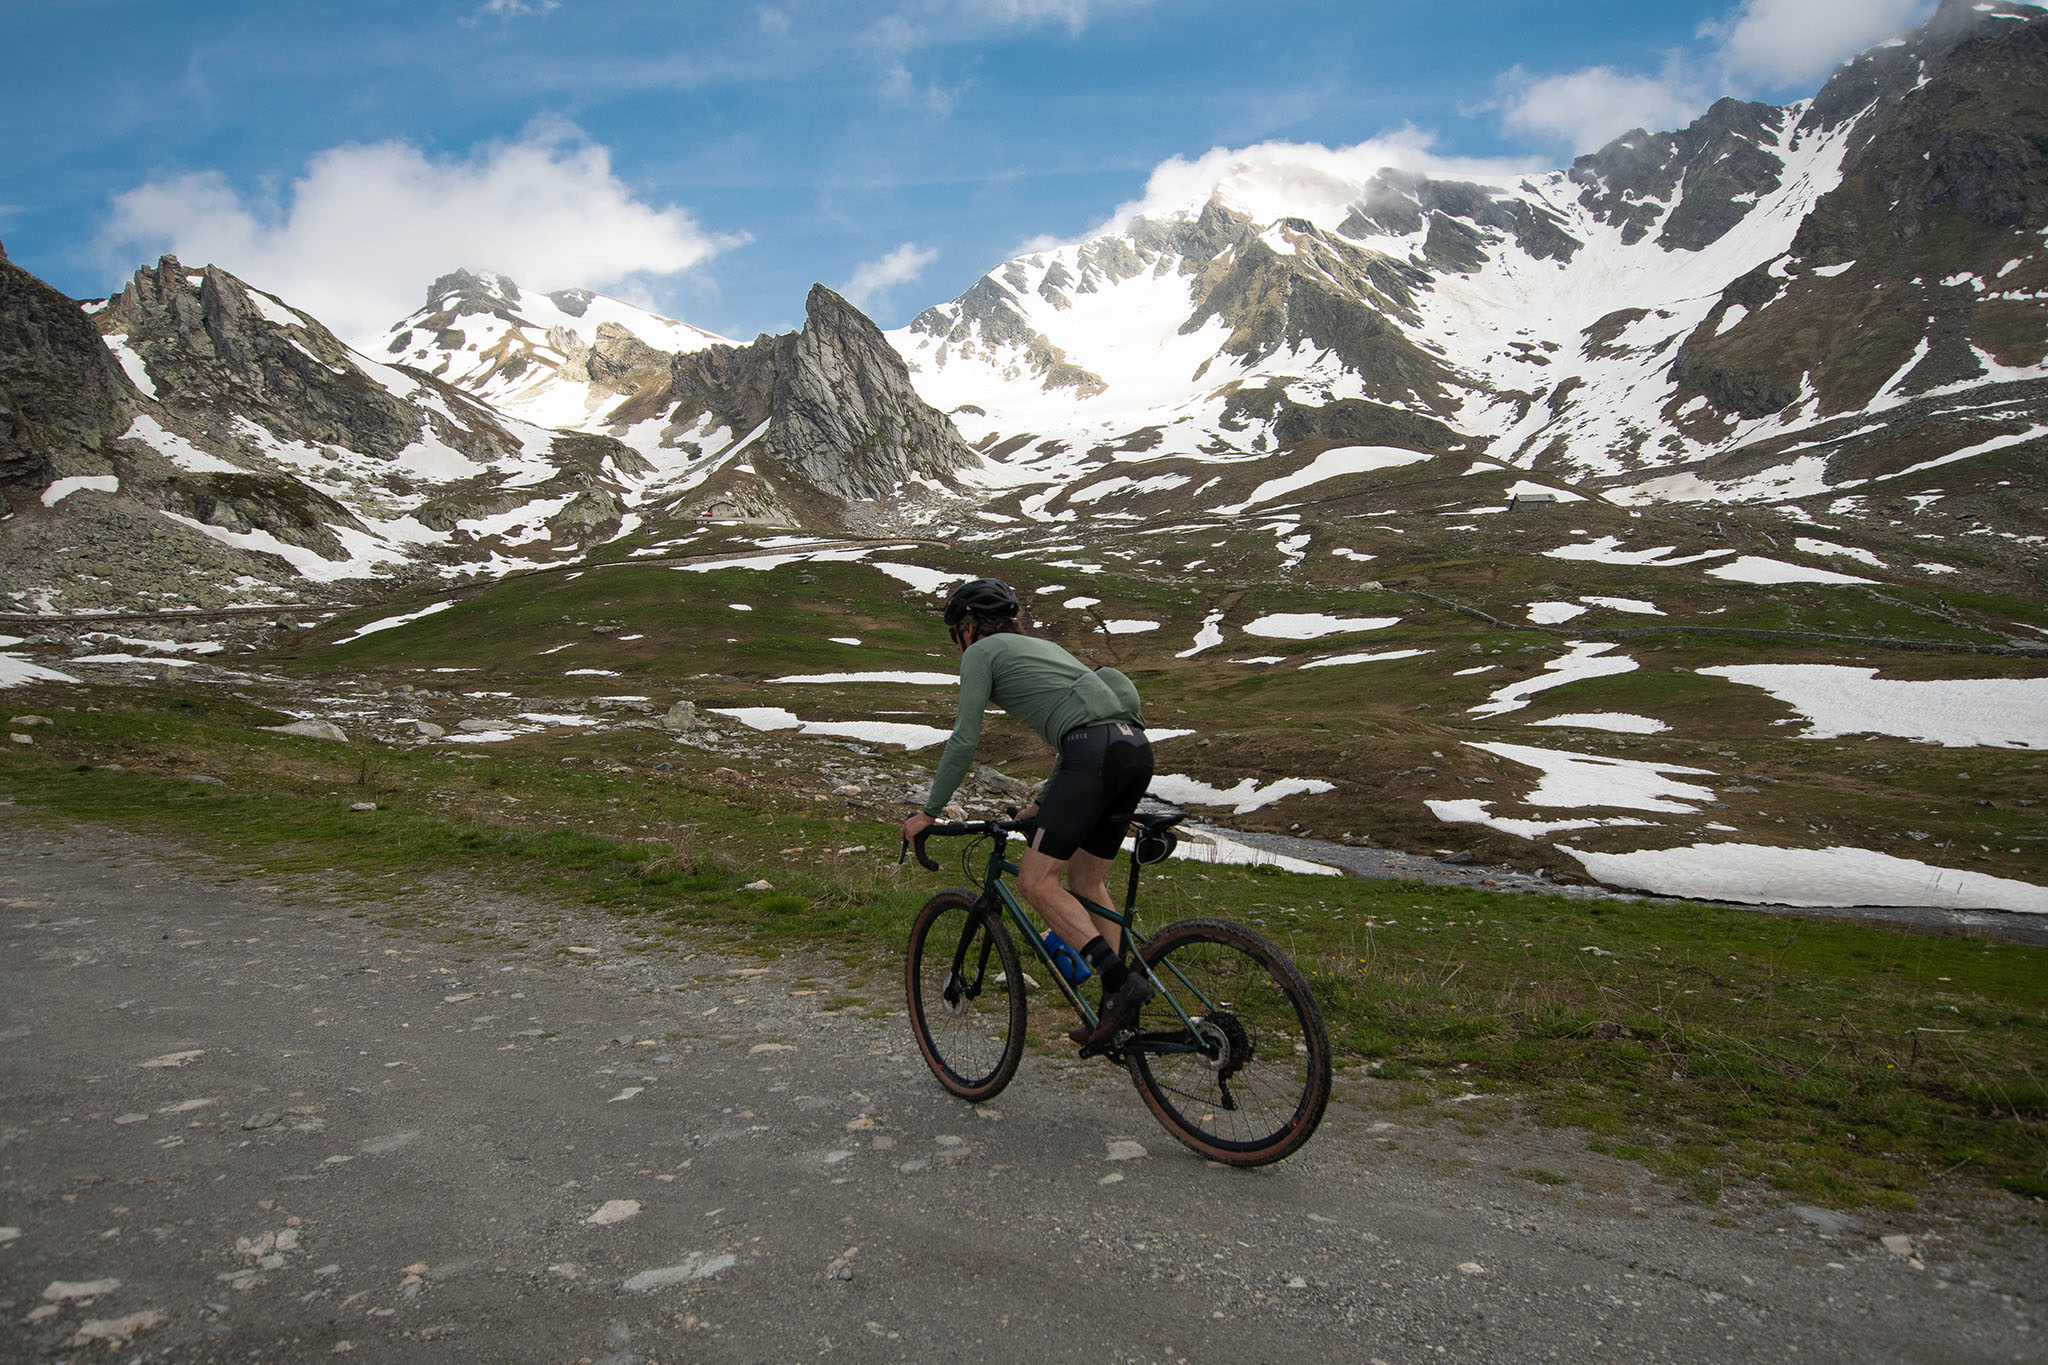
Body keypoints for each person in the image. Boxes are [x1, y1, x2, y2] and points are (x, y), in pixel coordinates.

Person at [898, 578, 1156, 1049]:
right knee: (1089, 882)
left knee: (1036, 882)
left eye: (955, 634)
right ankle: (1116, 1009)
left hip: (1091, 754)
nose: (957, 645)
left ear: (969, 627)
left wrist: (929, 812)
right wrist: (1045, 801)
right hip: (1134, 749)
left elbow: (964, 740)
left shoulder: (982, 652)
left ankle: (1120, 984)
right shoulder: (1043, 650)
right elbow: (1098, 710)